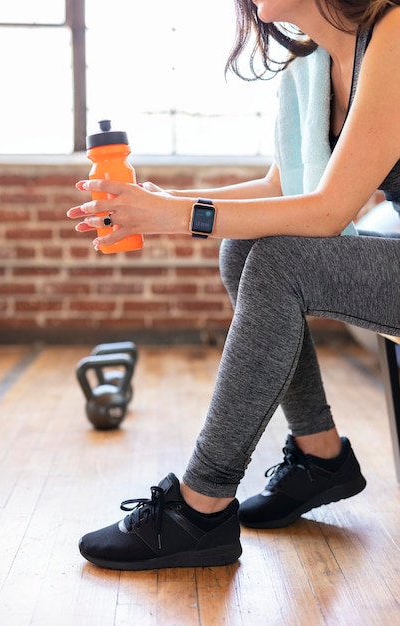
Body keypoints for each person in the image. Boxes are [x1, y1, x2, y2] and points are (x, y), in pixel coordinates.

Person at [67, 0, 400, 571]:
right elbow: (282, 186)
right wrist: (167, 205)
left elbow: (327, 212)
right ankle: (320, 455)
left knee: (278, 261)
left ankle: (200, 506)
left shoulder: (394, 32)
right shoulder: (315, 67)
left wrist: (180, 216)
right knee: (244, 247)